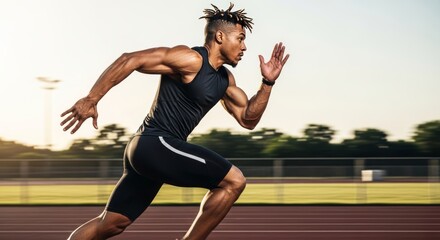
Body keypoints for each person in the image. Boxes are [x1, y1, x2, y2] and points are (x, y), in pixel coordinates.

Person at [60, 3, 289, 240]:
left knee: (111, 224)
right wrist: (91, 99)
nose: (244, 47)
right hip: (155, 143)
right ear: (220, 36)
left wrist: (267, 83)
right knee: (234, 181)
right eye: (240, 38)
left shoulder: (225, 80)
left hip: (150, 151)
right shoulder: (191, 59)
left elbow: (248, 119)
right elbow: (131, 59)